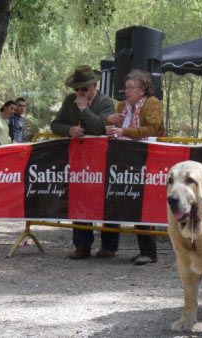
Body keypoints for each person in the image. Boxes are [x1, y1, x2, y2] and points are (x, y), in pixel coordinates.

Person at [51, 64, 120, 260]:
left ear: (94, 85)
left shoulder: (106, 102)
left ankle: (109, 246)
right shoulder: (69, 101)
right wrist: (69, 130)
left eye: (84, 88)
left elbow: (100, 128)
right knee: (80, 197)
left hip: (103, 158)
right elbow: (55, 124)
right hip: (80, 160)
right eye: (77, 89)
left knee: (107, 198)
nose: (80, 92)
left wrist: (84, 110)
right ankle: (82, 244)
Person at [105, 69, 164, 265]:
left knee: (143, 201)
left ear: (142, 89)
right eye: (125, 87)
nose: (126, 91)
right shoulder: (121, 105)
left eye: (131, 88)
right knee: (121, 197)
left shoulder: (152, 103)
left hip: (147, 157)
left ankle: (149, 251)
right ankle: (109, 246)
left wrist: (125, 131)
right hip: (123, 156)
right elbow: (117, 129)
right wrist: (110, 125)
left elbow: (153, 128)